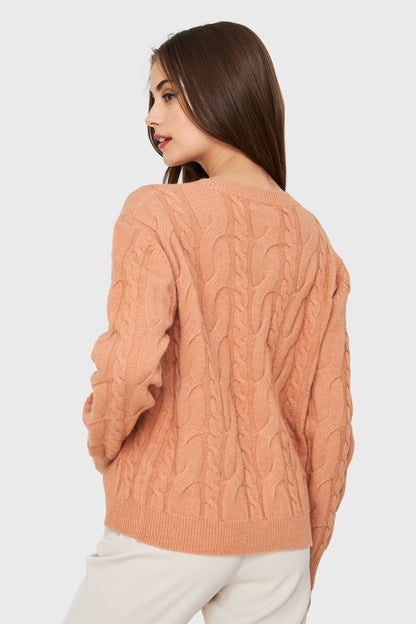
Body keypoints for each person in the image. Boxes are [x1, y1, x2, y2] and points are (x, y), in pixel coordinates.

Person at [62, 20, 354, 624]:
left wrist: (104, 445)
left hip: (171, 519)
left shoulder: (158, 212)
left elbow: (127, 365)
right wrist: (306, 548)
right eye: (151, 99)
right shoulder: (314, 241)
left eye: (169, 94)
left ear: (224, 87)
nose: (152, 116)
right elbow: (327, 422)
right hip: (280, 537)